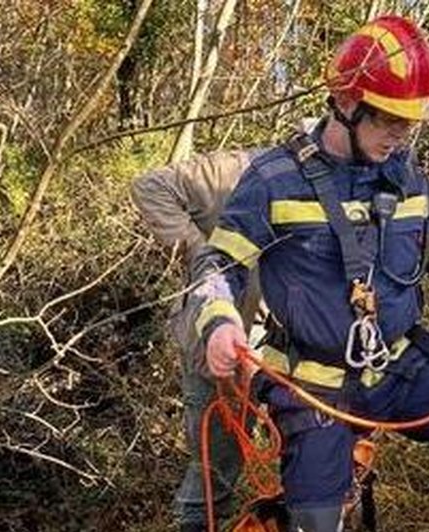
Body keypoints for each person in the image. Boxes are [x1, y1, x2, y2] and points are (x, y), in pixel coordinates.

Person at [186, 15, 429, 532]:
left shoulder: (407, 176)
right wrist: (220, 323)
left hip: (401, 364)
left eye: (409, 121)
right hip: (314, 385)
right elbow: (218, 264)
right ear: (346, 104)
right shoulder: (274, 180)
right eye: (389, 119)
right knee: (315, 522)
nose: (401, 134)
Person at [131, 149, 263, 531]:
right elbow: (151, 186)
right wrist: (201, 254)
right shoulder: (238, 172)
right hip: (217, 343)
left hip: (281, 351)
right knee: (215, 471)